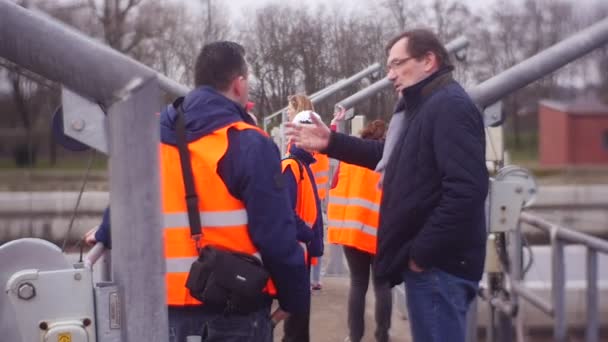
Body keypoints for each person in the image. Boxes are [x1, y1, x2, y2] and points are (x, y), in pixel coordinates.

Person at [85, 41, 310, 342]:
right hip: (234, 308)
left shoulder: (149, 136)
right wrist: (295, 297)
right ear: (239, 85)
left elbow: (126, 203)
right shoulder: (248, 143)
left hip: (158, 310)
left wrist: (103, 232)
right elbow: (275, 235)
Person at [286, 29, 488, 342]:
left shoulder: (448, 106)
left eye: (397, 64)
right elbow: (390, 156)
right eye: (388, 67)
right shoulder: (422, 108)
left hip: (439, 268)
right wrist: (331, 142)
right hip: (433, 268)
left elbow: (467, 190)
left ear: (428, 61)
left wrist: (421, 254)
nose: (390, 75)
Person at [327, 119, 392, 342]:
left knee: (358, 283)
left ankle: (354, 336)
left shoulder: (350, 159)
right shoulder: (388, 160)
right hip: (381, 233)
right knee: (382, 285)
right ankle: (382, 335)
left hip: (352, 231)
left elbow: (334, 187)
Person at [280, 110, 324, 342]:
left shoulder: (303, 166)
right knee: (296, 324)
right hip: (297, 252)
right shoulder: (292, 166)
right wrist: (307, 234)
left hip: (302, 253)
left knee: (300, 320)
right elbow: (285, 212)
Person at [286, 94, 329, 291]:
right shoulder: (318, 134)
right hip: (311, 192)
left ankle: (313, 280)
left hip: (308, 193)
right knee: (313, 235)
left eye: (289, 108)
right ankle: (314, 279)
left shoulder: (306, 141)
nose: (287, 112)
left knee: (311, 235)